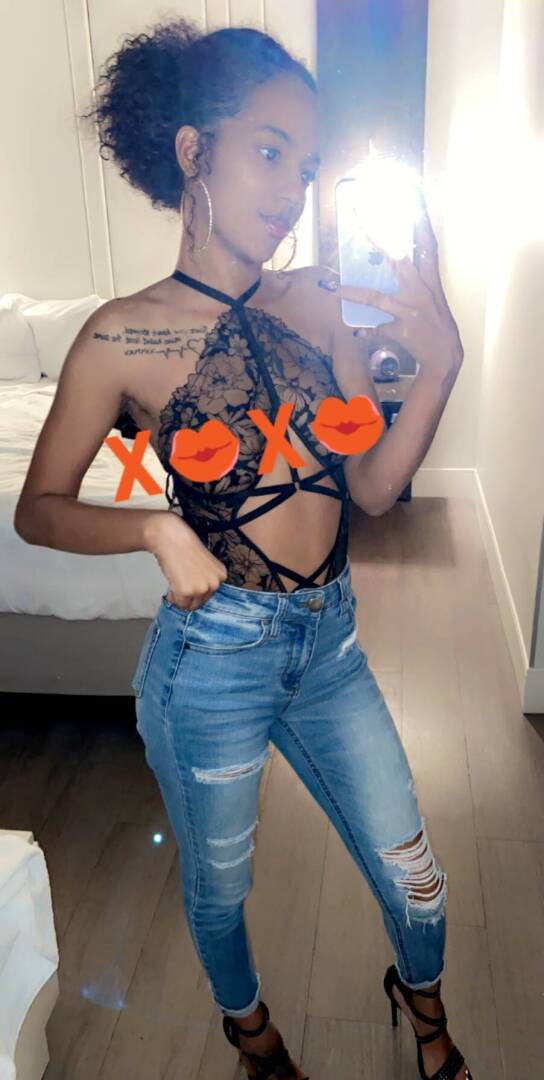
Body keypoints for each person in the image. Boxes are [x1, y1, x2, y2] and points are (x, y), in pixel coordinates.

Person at [14, 16, 470, 1080]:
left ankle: (419, 995)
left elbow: (372, 488)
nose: (291, 190)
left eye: (304, 167)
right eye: (269, 151)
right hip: (209, 662)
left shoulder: (319, 303)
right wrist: (155, 526)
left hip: (332, 647)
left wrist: (439, 366)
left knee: (420, 881)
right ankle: (250, 1032)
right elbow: (38, 509)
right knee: (220, 888)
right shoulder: (120, 336)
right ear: (192, 151)